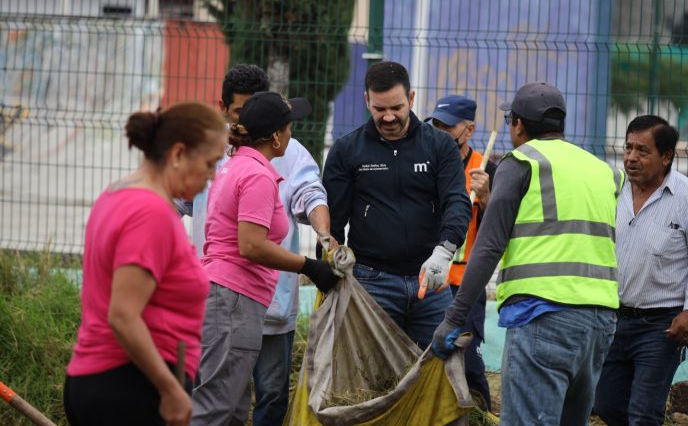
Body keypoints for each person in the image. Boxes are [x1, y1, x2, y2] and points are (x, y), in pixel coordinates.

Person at [432, 82, 624, 425]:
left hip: (543, 316)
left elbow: (489, 246)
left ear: (518, 124)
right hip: (600, 322)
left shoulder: (521, 162)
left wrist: (453, 318)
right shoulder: (602, 170)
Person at [181, 64, 332, 425]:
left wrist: (325, 237)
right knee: (217, 406)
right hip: (233, 299)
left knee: (232, 405)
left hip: (237, 298)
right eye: (288, 126)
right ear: (276, 136)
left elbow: (309, 194)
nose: (292, 132)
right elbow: (250, 245)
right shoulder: (256, 175)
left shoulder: (236, 164)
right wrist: (309, 266)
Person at [64, 102, 228, 426]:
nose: (212, 177)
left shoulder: (117, 193)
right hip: (130, 387)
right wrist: (170, 389)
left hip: (110, 382)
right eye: (209, 164)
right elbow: (123, 315)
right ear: (178, 154)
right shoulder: (150, 213)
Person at [322, 61, 472, 349]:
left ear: (411, 99)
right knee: (369, 367)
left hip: (429, 280)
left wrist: (444, 251)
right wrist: (330, 269)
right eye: (379, 109)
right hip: (370, 281)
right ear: (366, 100)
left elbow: (456, 201)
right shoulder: (346, 150)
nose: (389, 117)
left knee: (441, 362)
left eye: (397, 107)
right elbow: (333, 220)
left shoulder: (440, 146)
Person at [593, 115, 688, 426]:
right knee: (606, 404)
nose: (631, 157)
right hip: (612, 319)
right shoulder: (612, 191)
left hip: (661, 326)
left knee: (644, 412)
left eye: (642, 150)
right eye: (628, 148)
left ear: (666, 156)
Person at [425, 94, 495, 409]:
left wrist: (487, 197)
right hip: (429, 275)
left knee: (468, 361)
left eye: (448, 127)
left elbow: (501, 228)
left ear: (469, 130)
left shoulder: (486, 169)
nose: (440, 133)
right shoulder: (425, 164)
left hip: (467, 281)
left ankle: (480, 412)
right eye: (436, 126)